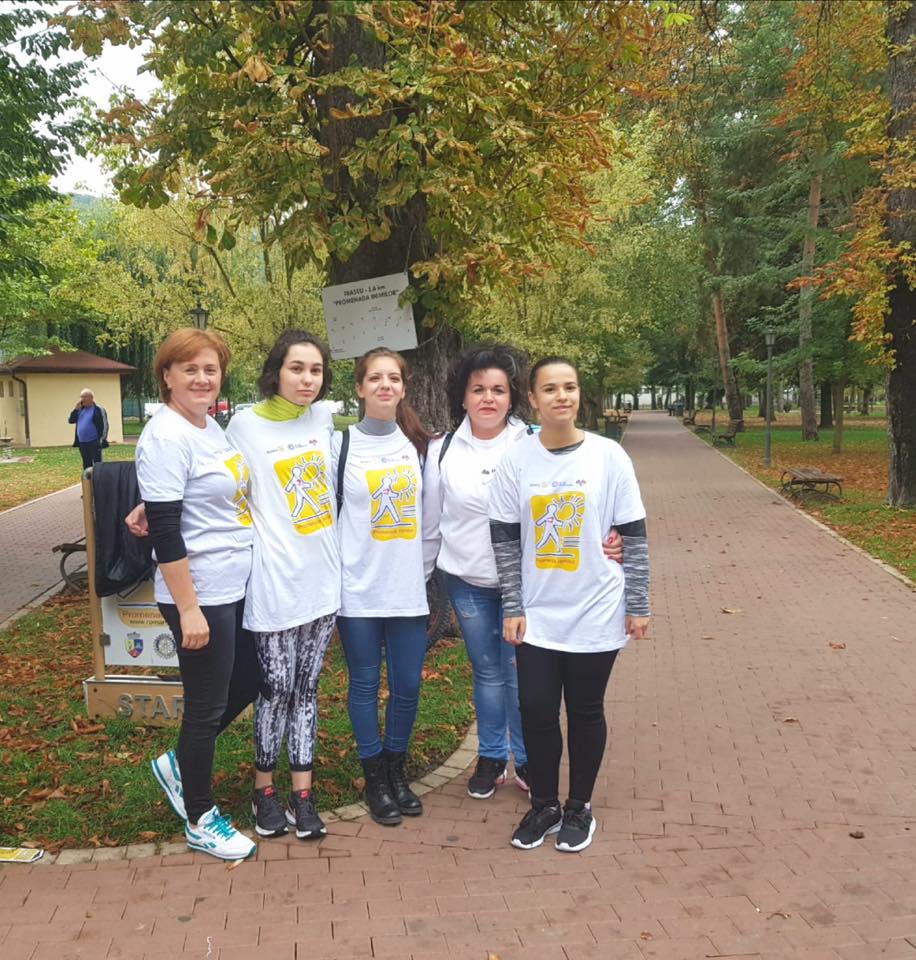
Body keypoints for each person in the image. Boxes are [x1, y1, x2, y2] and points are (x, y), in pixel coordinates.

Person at [423, 345, 624, 801]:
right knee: (487, 672)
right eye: (478, 389)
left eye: (498, 390)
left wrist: (616, 536)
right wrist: (422, 579)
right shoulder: (442, 450)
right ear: (463, 397)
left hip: (530, 586)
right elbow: (432, 523)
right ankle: (492, 756)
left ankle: (530, 757)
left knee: (521, 677)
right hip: (468, 582)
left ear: (513, 396)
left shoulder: (535, 442)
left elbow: (584, 492)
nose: (488, 398)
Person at [489, 355, 650, 854]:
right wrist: (512, 605)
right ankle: (544, 805)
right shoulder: (517, 460)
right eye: (550, 389)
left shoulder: (609, 456)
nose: (562, 396)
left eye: (570, 387)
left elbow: (634, 534)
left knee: (584, 710)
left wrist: (639, 603)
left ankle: (579, 806)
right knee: (537, 709)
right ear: (532, 399)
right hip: (537, 612)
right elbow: (504, 538)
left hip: (596, 608)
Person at [136, 328, 256, 861]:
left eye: (211, 369)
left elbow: (196, 497)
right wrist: (188, 609)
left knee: (251, 677)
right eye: (190, 369)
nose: (202, 378)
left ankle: (179, 764)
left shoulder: (209, 426)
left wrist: (150, 503)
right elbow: (166, 532)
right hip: (199, 591)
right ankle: (200, 819)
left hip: (232, 583)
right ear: (167, 376)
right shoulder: (166, 435)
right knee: (206, 707)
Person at [224, 330, 340, 841]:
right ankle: (264, 791)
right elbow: (216, 481)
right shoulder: (243, 426)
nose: (307, 379)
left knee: (307, 691)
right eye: (297, 368)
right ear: (276, 372)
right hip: (274, 583)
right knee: (275, 690)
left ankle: (303, 796)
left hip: (324, 581)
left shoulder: (324, 419)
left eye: (315, 370)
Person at [333, 347, 433, 826]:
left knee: (408, 685)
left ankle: (396, 770)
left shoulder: (419, 447)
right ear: (359, 387)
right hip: (357, 590)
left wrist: (424, 571)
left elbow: (436, 517)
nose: (385, 385)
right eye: (375, 378)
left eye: (393, 378)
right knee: (365, 685)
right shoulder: (339, 446)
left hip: (407, 590)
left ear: (404, 387)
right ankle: (374, 778)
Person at [68, 388, 109, 469]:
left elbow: (105, 425)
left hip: (94, 442)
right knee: (86, 465)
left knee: (98, 464)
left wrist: (101, 439)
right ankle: (88, 477)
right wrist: (75, 410)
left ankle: (98, 477)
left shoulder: (98, 409)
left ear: (91, 398)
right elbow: (71, 420)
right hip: (82, 443)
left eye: (84, 397)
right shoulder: (80, 410)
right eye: (81, 397)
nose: (82, 399)